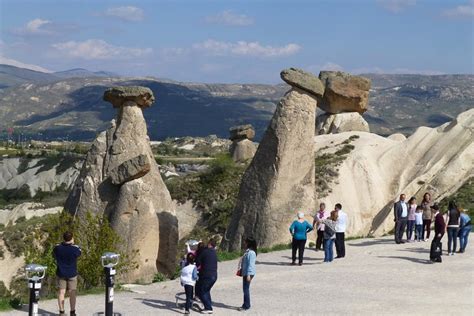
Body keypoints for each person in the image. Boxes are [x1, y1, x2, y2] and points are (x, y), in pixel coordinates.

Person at [52, 231, 81, 316]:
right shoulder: (75, 248)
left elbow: (54, 251)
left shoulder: (58, 248)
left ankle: (62, 312)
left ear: (63, 238)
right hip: (72, 273)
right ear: (72, 238)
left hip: (61, 273)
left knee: (61, 292)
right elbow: (79, 253)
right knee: (72, 293)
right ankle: (72, 312)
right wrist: (72, 244)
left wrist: (63, 243)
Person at [195, 239, 218, 314]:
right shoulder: (214, 252)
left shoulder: (205, 252)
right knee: (206, 291)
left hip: (206, 275)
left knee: (202, 291)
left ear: (209, 244)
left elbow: (198, 261)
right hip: (214, 275)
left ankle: (208, 308)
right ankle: (208, 305)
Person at [239, 238, 257, 311]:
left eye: (245, 242)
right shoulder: (248, 251)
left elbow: (251, 264)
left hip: (249, 273)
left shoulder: (251, 253)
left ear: (248, 243)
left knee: (246, 289)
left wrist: (249, 275)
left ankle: (246, 305)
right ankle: (245, 304)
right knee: (245, 289)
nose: (244, 243)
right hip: (245, 272)